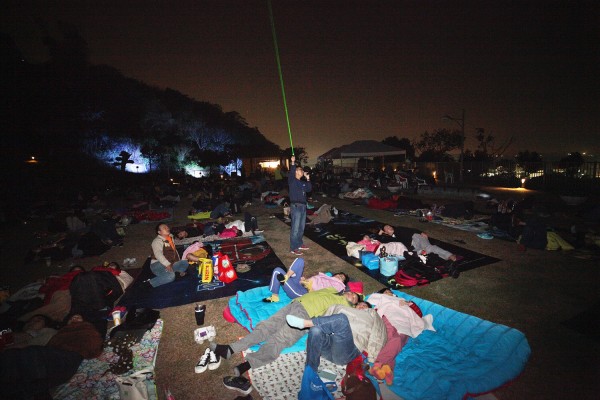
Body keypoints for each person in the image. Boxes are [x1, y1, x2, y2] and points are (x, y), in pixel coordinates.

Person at [210, 288, 361, 378]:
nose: (353, 296)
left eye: (355, 299)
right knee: (265, 327)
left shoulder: (345, 308)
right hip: (295, 304)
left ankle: (249, 364)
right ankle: (230, 349)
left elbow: (338, 322)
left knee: (279, 340)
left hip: (307, 316)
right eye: (353, 293)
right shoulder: (332, 290)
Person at [285, 301, 387, 371]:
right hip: (328, 347)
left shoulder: (372, 314)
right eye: (359, 304)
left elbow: (379, 334)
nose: (361, 306)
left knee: (341, 319)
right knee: (316, 329)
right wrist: (311, 342)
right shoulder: (344, 309)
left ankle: (305, 323)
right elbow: (326, 318)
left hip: (348, 351)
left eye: (364, 305)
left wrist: (372, 357)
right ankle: (310, 370)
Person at [262, 258, 348, 302]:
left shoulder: (339, 286)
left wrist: (312, 290)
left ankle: (275, 296)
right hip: (301, 283)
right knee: (300, 260)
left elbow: (326, 295)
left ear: (343, 283)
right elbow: (315, 281)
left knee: (278, 272)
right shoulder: (327, 276)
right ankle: (287, 276)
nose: (340, 277)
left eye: (342, 278)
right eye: (340, 275)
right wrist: (305, 280)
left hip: (303, 293)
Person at [147, 224, 190, 288]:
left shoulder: (170, 237)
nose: (167, 228)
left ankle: (177, 273)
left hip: (170, 263)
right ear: (159, 232)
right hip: (158, 264)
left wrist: (178, 261)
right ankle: (149, 283)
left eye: (167, 227)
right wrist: (166, 264)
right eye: (164, 228)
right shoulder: (157, 241)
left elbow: (174, 251)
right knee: (170, 276)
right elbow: (158, 254)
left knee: (184, 262)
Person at [288, 155, 312, 256]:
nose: (302, 171)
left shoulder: (302, 183)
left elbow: (309, 189)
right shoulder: (292, 181)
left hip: (303, 207)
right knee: (295, 228)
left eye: (302, 170)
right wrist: (293, 163)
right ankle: (293, 248)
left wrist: (308, 179)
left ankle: (299, 243)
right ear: (296, 172)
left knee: (301, 227)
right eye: (300, 170)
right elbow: (291, 172)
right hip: (296, 206)